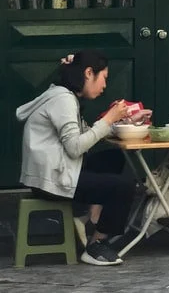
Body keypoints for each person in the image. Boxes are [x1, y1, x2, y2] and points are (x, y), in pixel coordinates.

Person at [16, 50, 135, 266]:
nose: (104, 86)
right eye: (104, 79)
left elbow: (83, 134)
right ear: (89, 73)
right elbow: (75, 147)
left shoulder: (64, 95)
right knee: (125, 186)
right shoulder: (63, 100)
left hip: (59, 169)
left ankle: (87, 219)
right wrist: (108, 119)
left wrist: (124, 122)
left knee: (114, 159)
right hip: (52, 180)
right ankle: (96, 245)